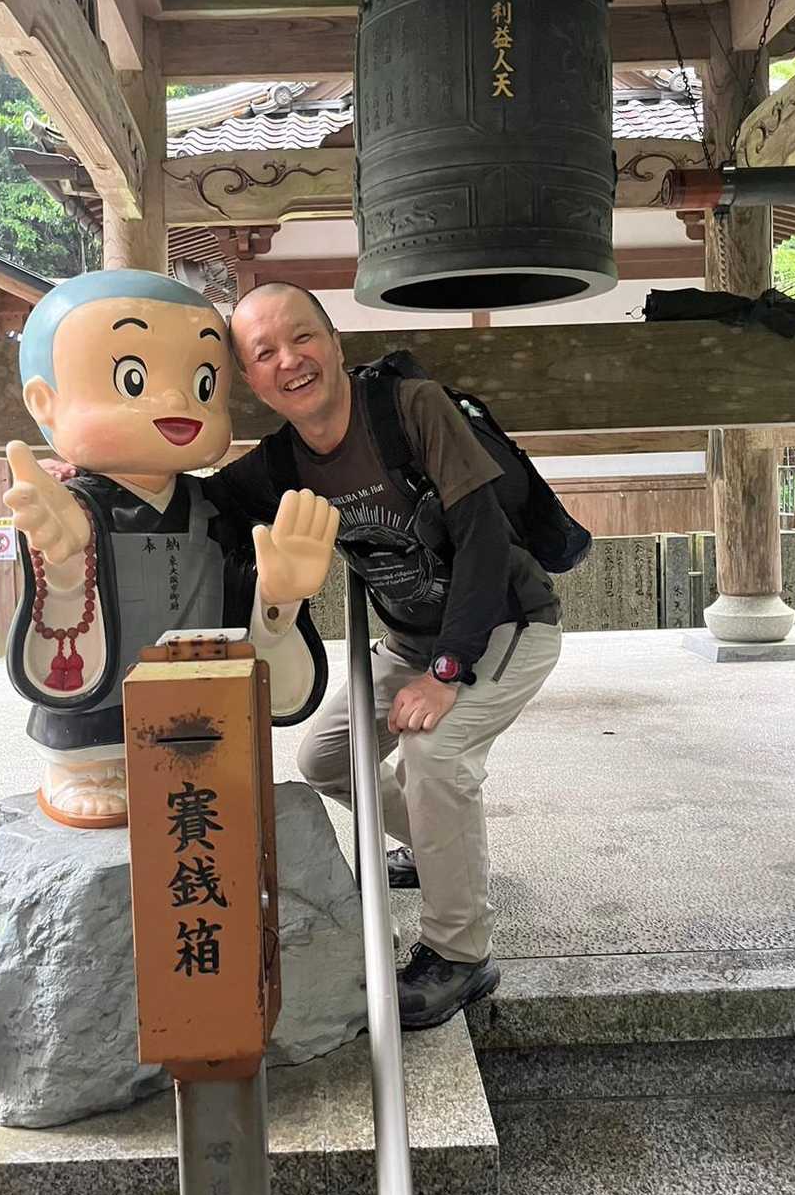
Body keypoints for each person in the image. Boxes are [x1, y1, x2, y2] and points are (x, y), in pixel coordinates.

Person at [208, 282, 563, 1030]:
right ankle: (442, 851)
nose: (289, 361)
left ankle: (460, 954)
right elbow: (207, 507)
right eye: (264, 353)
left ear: (335, 342)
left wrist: (447, 673)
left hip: (505, 625)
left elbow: (482, 537)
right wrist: (104, 491)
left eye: (302, 338)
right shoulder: (280, 463)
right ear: (251, 379)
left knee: (433, 752)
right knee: (325, 758)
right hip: (408, 641)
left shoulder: (408, 409)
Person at [3, 270, 337, 829]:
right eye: (133, 379)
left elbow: (247, 615)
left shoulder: (218, 509)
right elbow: (61, 616)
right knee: (101, 747)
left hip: (198, 712)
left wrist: (276, 601)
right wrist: (66, 569)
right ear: (45, 402)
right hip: (99, 727)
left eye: (204, 383)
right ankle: (84, 768)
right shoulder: (72, 510)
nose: (178, 399)